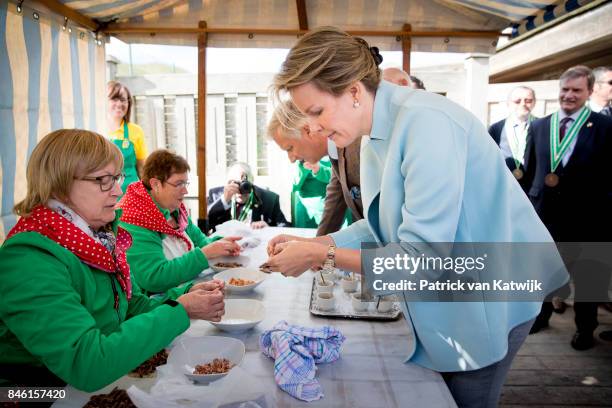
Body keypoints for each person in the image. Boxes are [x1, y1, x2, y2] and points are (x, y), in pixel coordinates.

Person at [264, 27, 567, 407]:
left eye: (317, 111)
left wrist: (318, 257)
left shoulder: (426, 124)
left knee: (465, 399)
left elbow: (422, 261)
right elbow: (379, 226)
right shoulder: (375, 130)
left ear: (354, 91)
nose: (315, 127)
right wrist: (320, 242)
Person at [0, 129, 225, 392]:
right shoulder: (29, 259)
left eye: (116, 177)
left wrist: (183, 296)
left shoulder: (96, 237)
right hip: (33, 393)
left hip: (84, 382)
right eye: (103, 180)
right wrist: (180, 311)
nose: (119, 190)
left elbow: (130, 305)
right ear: (60, 186)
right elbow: (86, 363)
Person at [523, 66, 612, 350]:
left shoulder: (604, 127)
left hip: (588, 218)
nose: (569, 96)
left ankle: (585, 329)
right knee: (545, 272)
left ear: (589, 92)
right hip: (546, 217)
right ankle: (541, 316)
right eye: (565, 89)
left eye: (576, 90)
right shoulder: (539, 126)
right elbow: (529, 172)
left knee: (589, 276)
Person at [118, 149, 242, 295]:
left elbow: (201, 242)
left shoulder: (175, 209)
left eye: (185, 183)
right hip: (161, 304)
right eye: (178, 184)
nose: (185, 191)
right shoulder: (133, 220)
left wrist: (221, 245)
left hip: (188, 291)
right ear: (156, 184)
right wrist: (204, 254)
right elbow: (154, 278)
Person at [268, 102, 353, 232]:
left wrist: (327, 251)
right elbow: (333, 211)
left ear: (307, 130)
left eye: (290, 148)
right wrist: (315, 248)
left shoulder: (354, 147)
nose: (291, 159)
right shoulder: (337, 155)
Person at [207, 162, 289, 232]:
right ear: (227, 182)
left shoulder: (269, 199)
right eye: (235, 183)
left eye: (244, 184)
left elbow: (284, 227)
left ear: (252, 181)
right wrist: (224, 201)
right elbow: (203, 227)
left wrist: (268, 229)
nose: (239, 189)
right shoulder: (215, 195)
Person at [488, 86, 536, 190]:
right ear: (508, 103)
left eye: (528, 100)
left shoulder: (543, 127)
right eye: (517, 101)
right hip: (505, 185)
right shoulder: (496, 128)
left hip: (532, 186)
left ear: (534, 103)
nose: (523, 104)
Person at [107, 81, 148, 192]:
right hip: (105, 193)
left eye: (123, 100)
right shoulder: (97, 131)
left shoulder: (136, 131)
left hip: (132, 196)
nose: (119, 104)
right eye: (114, 99)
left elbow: (142, 168)